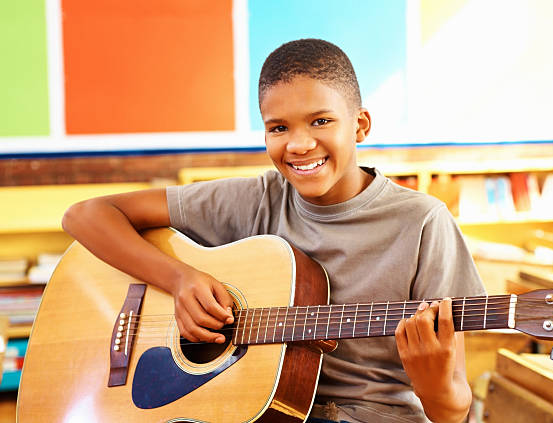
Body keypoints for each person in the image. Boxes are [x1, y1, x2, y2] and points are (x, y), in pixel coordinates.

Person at [63, 38, 486, 423]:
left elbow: (451, 412)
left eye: (321, 121)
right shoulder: (255, 199)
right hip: (247, 408)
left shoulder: (424, 223)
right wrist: (178, 279)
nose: (299, 145)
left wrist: (435, 387)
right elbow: (85, 216)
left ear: (360, 125)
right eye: (278, 128)